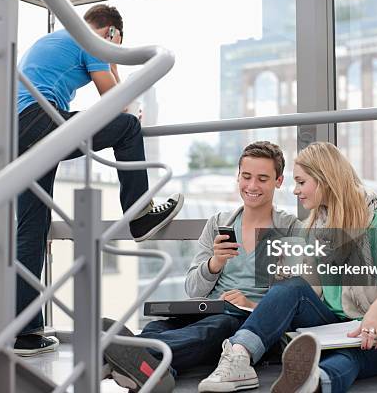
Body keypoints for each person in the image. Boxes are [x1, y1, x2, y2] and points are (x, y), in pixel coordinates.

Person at [13, 4, 183, 356]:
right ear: (111, 34)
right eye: (115, 44)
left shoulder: (61, 38)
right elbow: (116, 101)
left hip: (20, 129)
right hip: (41, 121)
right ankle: (139, 214)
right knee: (128, 128)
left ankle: (25, 334)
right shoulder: (89, 39)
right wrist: (112, 56)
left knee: (32, 227)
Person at [199, 141, 377, 393]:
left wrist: (376, 313)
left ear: (325, 179)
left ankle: (315, 381)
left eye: (301, 182)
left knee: (348, 357)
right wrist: (265, 310)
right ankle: (239, 357)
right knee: (292, 286)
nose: (295, 190)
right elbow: (304, 290)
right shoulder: (315, 228)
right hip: (331, 326)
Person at [102, 141, 305, 391]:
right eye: (246, 176)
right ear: (238, 177)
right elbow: (193, 290)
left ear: (279, 181)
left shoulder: (290, 229)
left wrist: (251, 305)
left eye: (263, 179)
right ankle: (150, 365)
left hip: (248, 324)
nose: (252, 186)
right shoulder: (218, 223)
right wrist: (215, 263)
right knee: (160, 326)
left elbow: (292, 298)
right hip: (208, 310)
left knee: (218, 327)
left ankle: (123, 354)